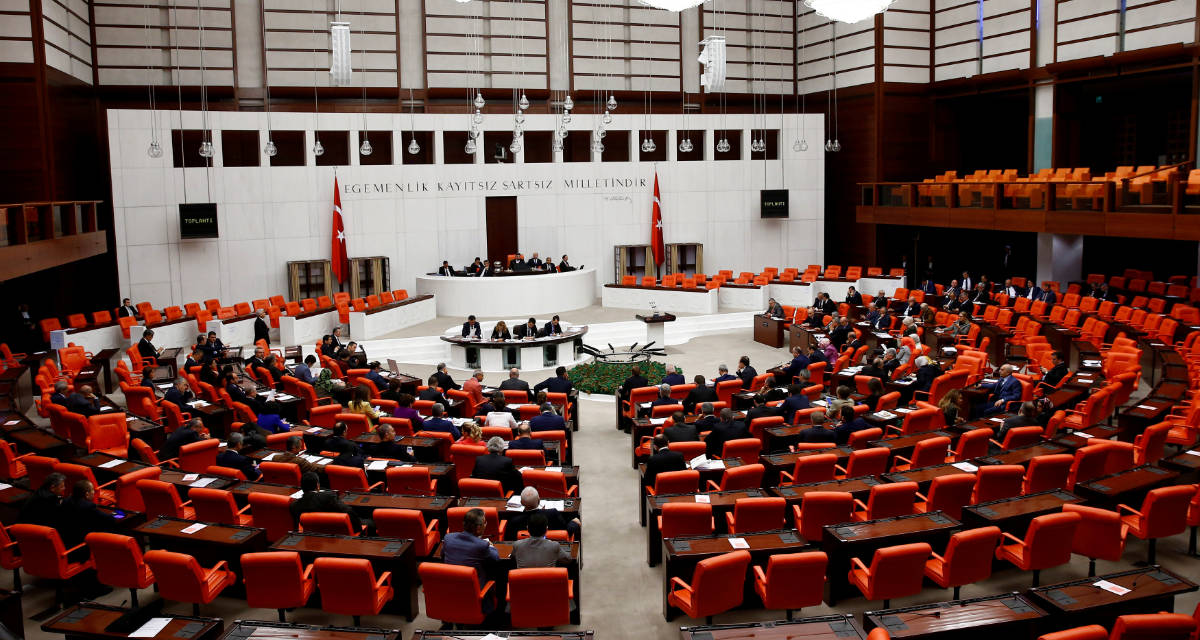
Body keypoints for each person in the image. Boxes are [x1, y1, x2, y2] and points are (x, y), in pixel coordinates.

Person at [443, 508, 501, 587]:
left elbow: (443, 555)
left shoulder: (448, 538)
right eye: (485, 523)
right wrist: (490, 545)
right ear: (478, 528)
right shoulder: (482, 545)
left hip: (450, 584)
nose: (486, 525)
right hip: (473, 588)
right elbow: (496, 558)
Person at [290, 472, 362, 531]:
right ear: (318, 486)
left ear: (302, 487)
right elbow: (348, 512)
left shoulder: (294, 506)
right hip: (336, 536)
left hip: (311, 540)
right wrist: (359, 529)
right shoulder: (329, 497)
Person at [506, 486, 582, 541]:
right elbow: (566, 532)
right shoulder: (553, 513)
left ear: (521, 503)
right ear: (539, 501)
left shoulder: (514, 521)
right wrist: (574, 523)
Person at [58, 480, 119, 547]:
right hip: (83, 542)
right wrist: (119, 513)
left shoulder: (66, 501)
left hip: (66, 539)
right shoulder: (88, 506)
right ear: (87, 494)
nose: (94, 492)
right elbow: (110, 519)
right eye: (92, 490)